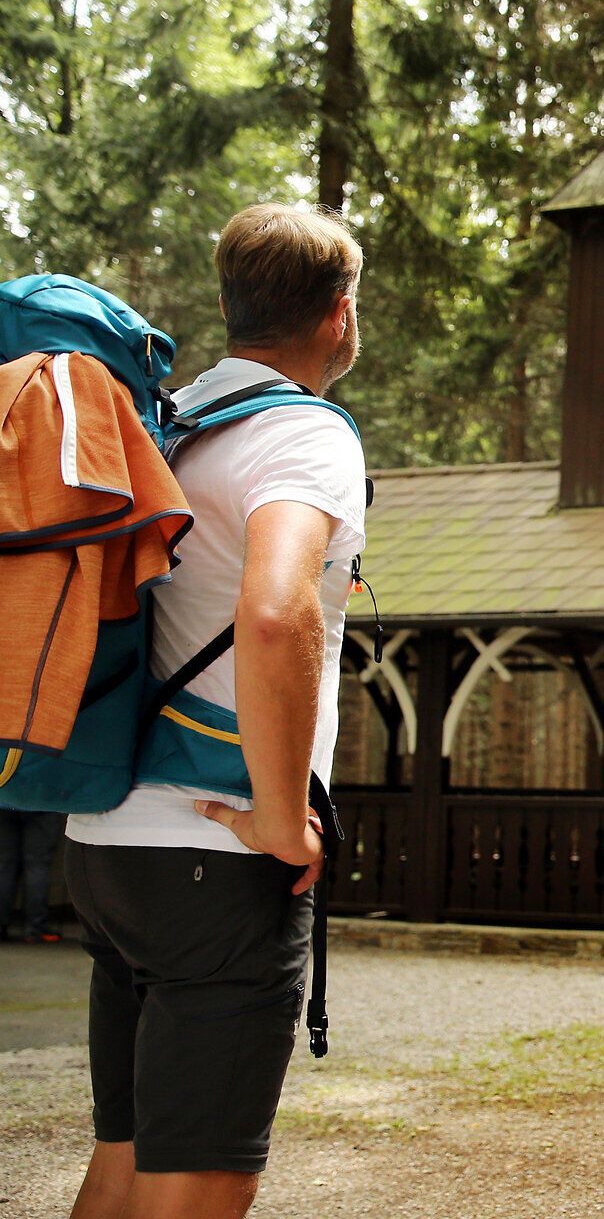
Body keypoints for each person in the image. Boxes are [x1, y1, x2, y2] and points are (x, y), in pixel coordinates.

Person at [62, 204, 367, 1219]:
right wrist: (281, 820)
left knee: (126, 1163)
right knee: (197, 1188)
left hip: (106, 837)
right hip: (213, 854)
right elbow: (278, 613)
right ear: (338, 316)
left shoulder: (168, 426)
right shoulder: (301, 435)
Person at [0, 809, 65, 942]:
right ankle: (36, 928)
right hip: (40, 801)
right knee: (37, 866)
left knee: (4, 865)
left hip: (4, 798)